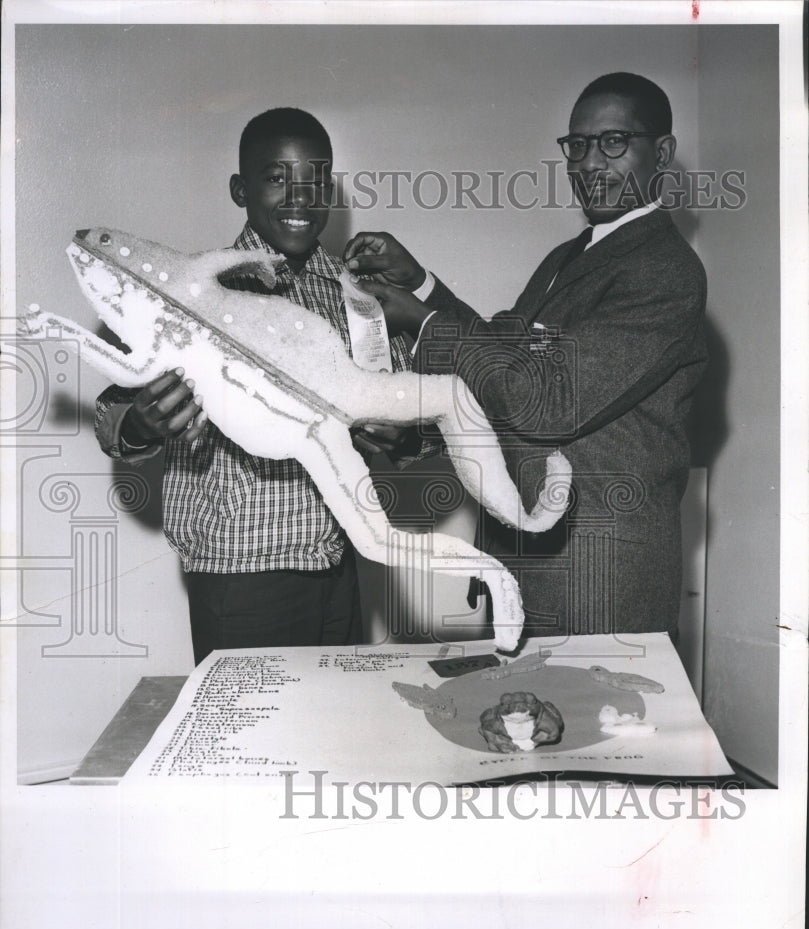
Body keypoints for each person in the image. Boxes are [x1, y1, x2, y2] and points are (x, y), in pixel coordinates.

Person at [344, 73, 708, 640]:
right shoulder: (570, 256)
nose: (590, 163)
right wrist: (422, 287)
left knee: (594, 729)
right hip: (526, 561)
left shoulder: (665, 269)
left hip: (597, 577)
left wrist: (424, 323)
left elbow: (548, 403)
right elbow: (509, 362)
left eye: (614, 142)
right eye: (578, 145)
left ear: (661, 153)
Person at [95, 107, 416, 663]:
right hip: (242, 577)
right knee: (251, 746)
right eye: (276, 179)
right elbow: (110, 417)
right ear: (240, 189)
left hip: (338, 565)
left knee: (339, 741)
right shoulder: (191, 290)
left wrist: (404, 438)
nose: (299, 198)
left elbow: (409, 406)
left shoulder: (357, 295)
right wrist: (142, 422)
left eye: (316, 181)